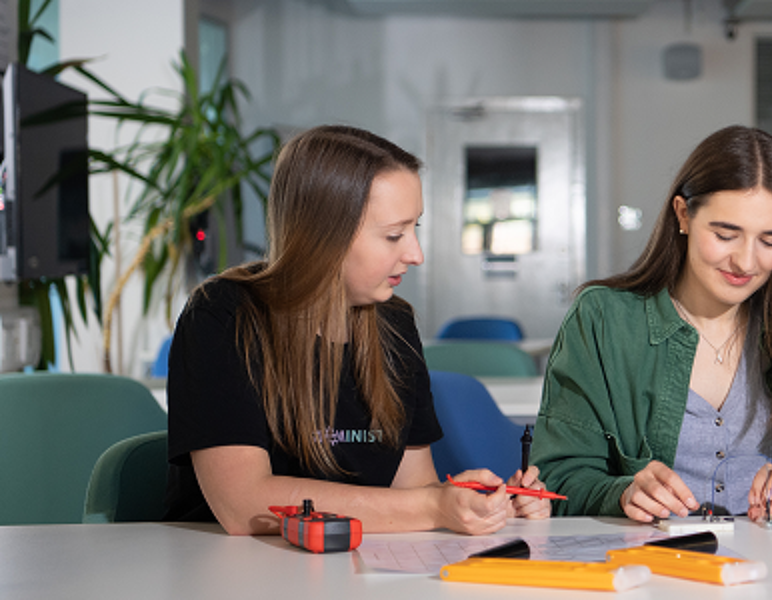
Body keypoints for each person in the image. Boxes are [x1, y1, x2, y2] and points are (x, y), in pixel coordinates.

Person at [164, 125, 550, 535]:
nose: (415, 254)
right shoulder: (224, 315)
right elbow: (244, 506)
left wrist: (480, 506)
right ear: (323, 236)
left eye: (415, 228)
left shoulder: (395, 324)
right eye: (394, 235)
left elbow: (412, 492)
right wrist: (434, 507)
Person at [530, 125, 772, 523]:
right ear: (683, 215)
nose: (746, 262)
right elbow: (557, 480)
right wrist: (622, 493)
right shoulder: (603, 321)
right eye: (726, 234)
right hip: (649, 569)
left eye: (769, 242)